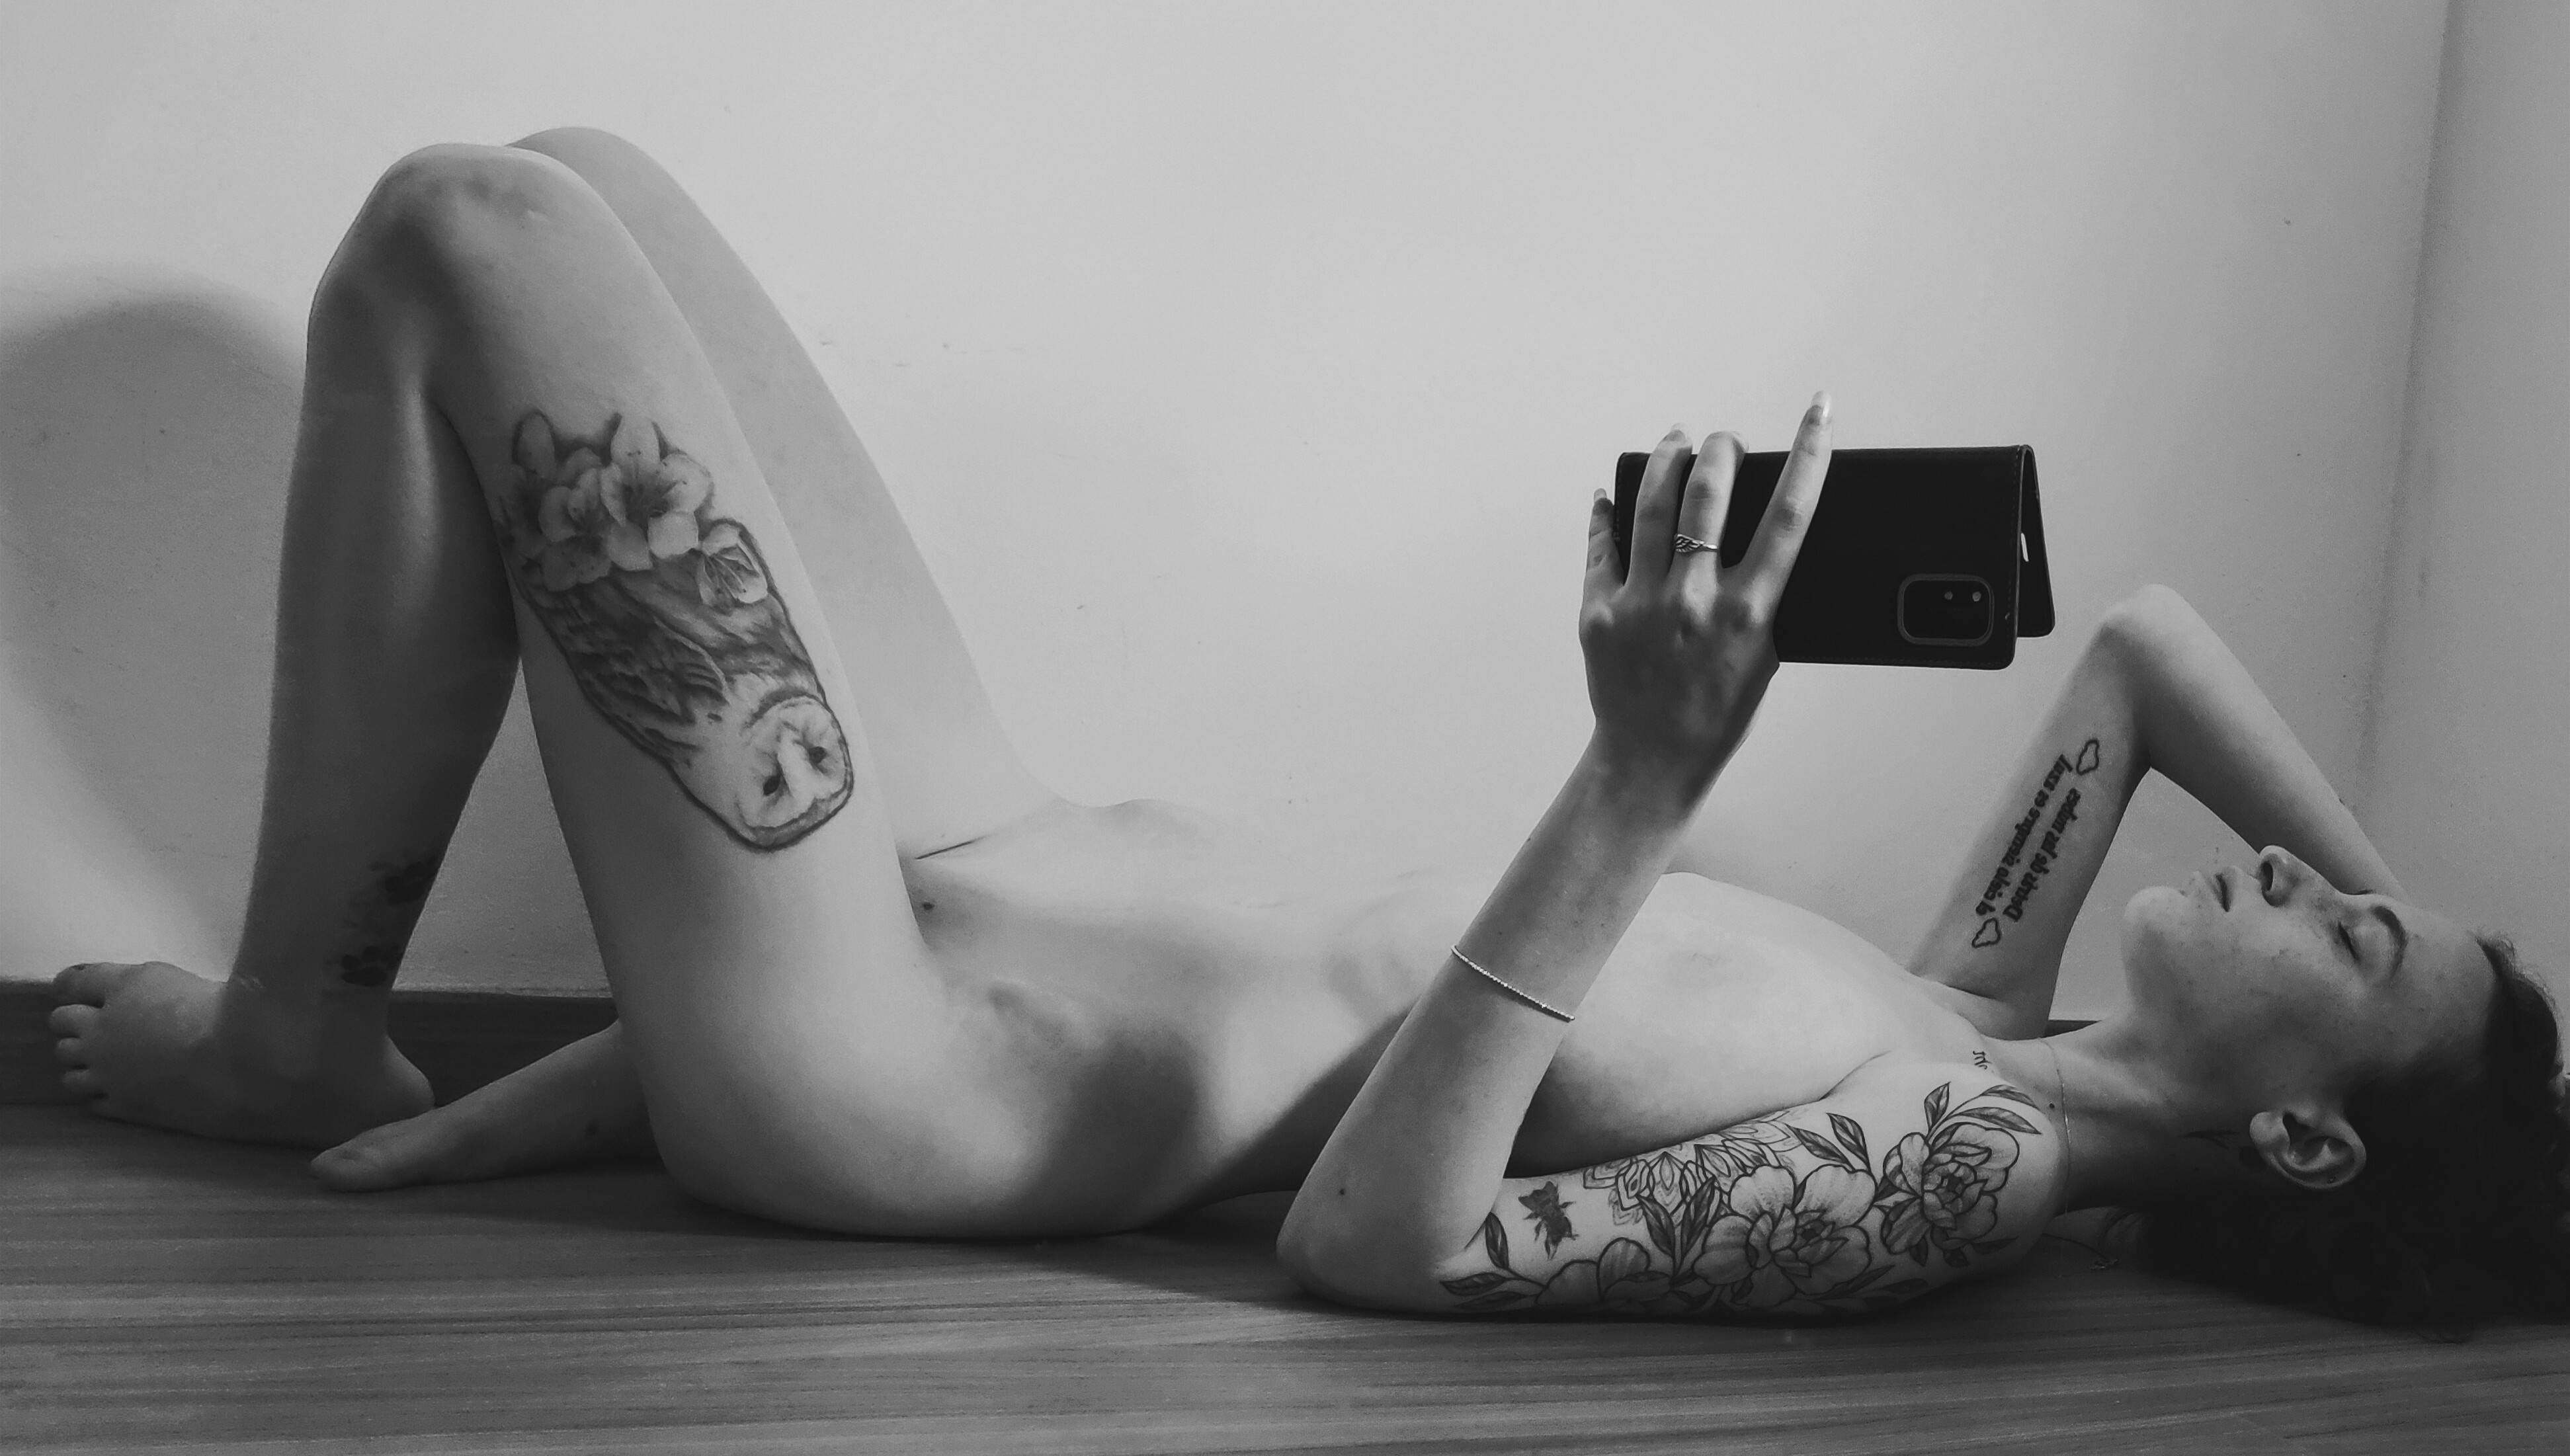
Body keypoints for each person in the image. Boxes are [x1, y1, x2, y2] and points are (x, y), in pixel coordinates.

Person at [45, 131, 2564, 1328]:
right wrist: (2443, 985)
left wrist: (1643, 774)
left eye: (2365, 943)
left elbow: (1392, 1241)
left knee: (467, 240)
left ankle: (292, 1027)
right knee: (583, 179)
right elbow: (2143, 646)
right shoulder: (1971, 996)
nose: (2317, 879)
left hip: (922, 1072)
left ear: (2309, 1134)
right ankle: (309, 1018)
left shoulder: (1961, 1160)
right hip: (999, 852)